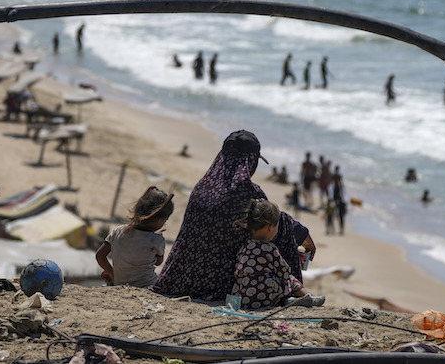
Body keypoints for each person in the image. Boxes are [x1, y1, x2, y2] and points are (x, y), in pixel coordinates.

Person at [151, 130, 316, 301]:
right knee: (275, 225)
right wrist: (301, 233)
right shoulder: (248, 192)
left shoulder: (202, 187)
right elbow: (273, 219)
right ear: (250, 162)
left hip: (181, 279)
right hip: (223, 285)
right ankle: (293, 292)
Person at [231, 199, 323, 309]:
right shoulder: (271, 249)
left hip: (244, 297)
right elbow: (285, 272)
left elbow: (238, 270)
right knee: (290, 278)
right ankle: (306, 297)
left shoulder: (245, 247)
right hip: (267, 297)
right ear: (270, 227)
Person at [95, 186, 174, 287]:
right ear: (159, 220)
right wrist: (157, 237)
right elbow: (158, 262)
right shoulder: (157, 240)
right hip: (147, 285)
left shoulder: (118, 231)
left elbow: (100, 256)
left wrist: (111, 272)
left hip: (120, 283)